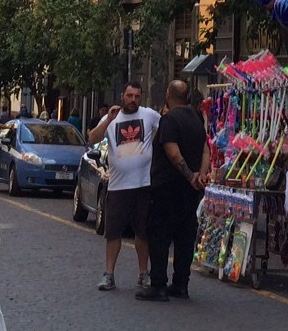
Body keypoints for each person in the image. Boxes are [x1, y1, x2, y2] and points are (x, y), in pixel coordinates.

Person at [136, 79, 210, 302]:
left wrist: (189, 175)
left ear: (168, 95)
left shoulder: (168, 120)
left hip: (167, 188)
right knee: (185, 236)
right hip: (191, 191)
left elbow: (173, 153)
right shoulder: (198, 119)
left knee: (159, 235)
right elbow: (206, 149)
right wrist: (200, 176)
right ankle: (181, 284)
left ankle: (158, 284)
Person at [88, 80, 160, 291]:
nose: (133, 100)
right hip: (118, 187)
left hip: (143, 184)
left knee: (142, 232)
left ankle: (143, 273)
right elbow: (92, 138)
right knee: (113, 233)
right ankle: (109, 274)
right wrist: (108, 119)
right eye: (130, 96)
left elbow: (167, 127)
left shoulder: (148, 115)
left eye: (137, 96)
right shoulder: (111, 117)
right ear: (122, 96)